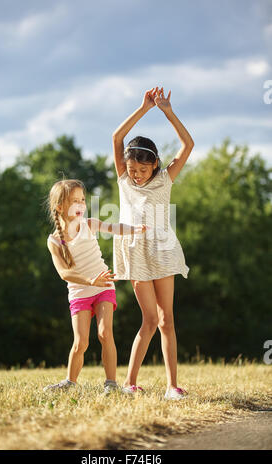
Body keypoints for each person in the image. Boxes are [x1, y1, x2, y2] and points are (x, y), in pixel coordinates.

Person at [112, 86, 194, 400]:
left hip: (162, 250)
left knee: (166, 319)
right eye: (132, 169)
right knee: (148, 319)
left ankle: (173, 386)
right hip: (135, 252)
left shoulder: (165, 177)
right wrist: (143, 107)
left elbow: (188, 144)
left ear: (155, 164)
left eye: (143, 170)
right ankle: (130, 383)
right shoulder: (123, 177)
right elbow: (117, 139)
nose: (136, 175)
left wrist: (167, 111)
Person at [43, 178, 147, 394]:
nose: (81, 205)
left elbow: (113, 227)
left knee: (104, 333)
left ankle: (111, 384)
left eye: (83, 200)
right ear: (60, 206)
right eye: (74, 201)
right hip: (79, 291)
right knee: (80, 343)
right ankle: (70, 383)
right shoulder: (54, 241)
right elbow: (64, 273)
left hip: (103, 287)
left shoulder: (88, 224)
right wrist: (89, 280)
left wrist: (134, 229)